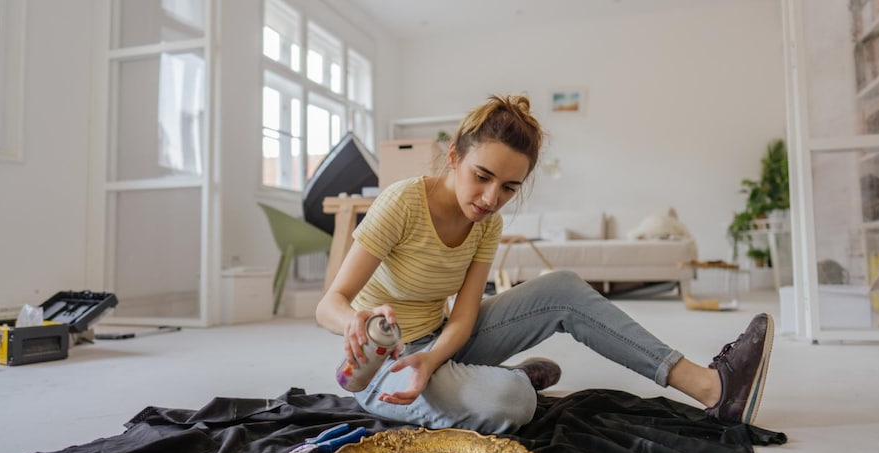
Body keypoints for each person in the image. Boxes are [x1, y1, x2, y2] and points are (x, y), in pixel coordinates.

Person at [316, 95, 774, 434]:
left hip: (439, 346)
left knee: (563, 288)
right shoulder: (402, 203)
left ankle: (711, 388)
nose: (491, 199)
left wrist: (434, 357)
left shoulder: (486, 223)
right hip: (384, 369)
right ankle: (504, 382)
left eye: (509, 188)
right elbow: (328, 304)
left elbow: (465, 316)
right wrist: (355, 319)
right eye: (482, 177)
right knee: (512, 400)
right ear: (454, 156)